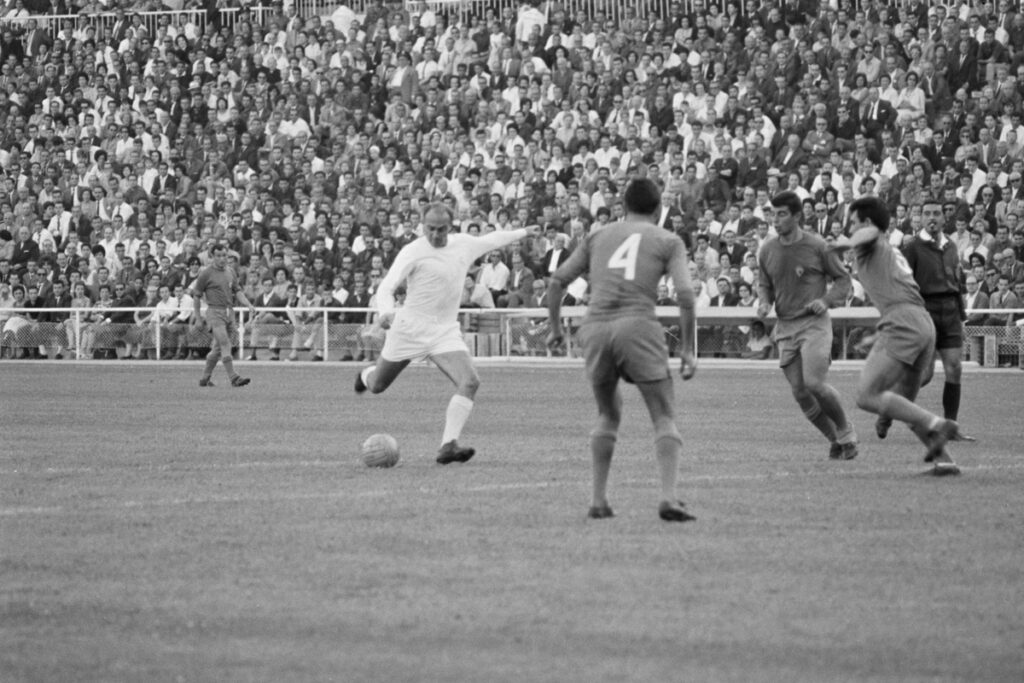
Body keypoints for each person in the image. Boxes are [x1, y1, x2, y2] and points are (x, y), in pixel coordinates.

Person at [545, 178, 699, 522]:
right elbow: (686, 295)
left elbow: (556, 282)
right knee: (662, 413)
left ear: (623, 206)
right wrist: (688, 349)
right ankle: (669, 498)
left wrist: (556, 330)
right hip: (637, 325)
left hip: (595, 327)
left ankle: (598, 500)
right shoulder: (668, 240)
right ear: (658, 209)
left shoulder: (599, 235)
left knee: (608, 413)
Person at [354, 203, 539, 464]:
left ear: (449, 227)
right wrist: (385, 311)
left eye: (441, 229)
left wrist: (523, 232)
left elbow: (491, 240)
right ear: (422, 226)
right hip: (409, 330)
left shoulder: (463, 243)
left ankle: (448, 445)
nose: (436, 234)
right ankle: (365, 375)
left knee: (470, 382)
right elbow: (386, 287)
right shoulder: (413, 251)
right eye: (430, 229)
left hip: (444, 332)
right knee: (378, 386)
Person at [830, 196, 973, 475]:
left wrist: (841, 244)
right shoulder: (889, 250)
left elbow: (869, 232)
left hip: (904, 322)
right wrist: (880, 333)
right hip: (921, 321)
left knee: (866, 396)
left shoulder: (870, 240)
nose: (851, 228)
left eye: (853, 222)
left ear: (867, 223)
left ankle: (939, 423)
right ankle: (945, 462)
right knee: (904, 407)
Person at [757, 191, 859, 460]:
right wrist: (764, 302)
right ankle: (835, 440)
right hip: (785, 327)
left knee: (814, 383)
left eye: (782, 214)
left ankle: (846, 431)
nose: (775, 220)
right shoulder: (767, 249)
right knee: (800, 393)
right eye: (772, 214)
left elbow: (843, 280)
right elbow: (764, 283)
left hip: (814, 324)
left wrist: (826, 301)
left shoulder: (818, 246)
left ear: (797, 216)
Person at [895, 198, 967, 436]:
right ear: (920, 217)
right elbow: (903, 284)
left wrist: (961, 314)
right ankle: (888, 407)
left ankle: (951, 427)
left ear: (945, 218)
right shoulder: (913, 247)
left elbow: (957, 281)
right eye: (927, 213)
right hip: (925, 310)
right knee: (924, 374)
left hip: (950, 311)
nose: (933, 217)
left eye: (937, 213)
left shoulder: (951, 247)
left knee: (954, 368)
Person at [189, 243, 255, 387]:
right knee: (225, 343)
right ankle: (234, 377)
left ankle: (205, 378)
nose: (222, 259)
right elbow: (196, 296)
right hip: (214, 312)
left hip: (229, 312)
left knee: (218, 348)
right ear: (212, 257)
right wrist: (198, 319)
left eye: (224, 255)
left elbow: (237, 290)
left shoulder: (230, 271)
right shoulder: (206, 273)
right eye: (218, 256)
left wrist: (248, 304)